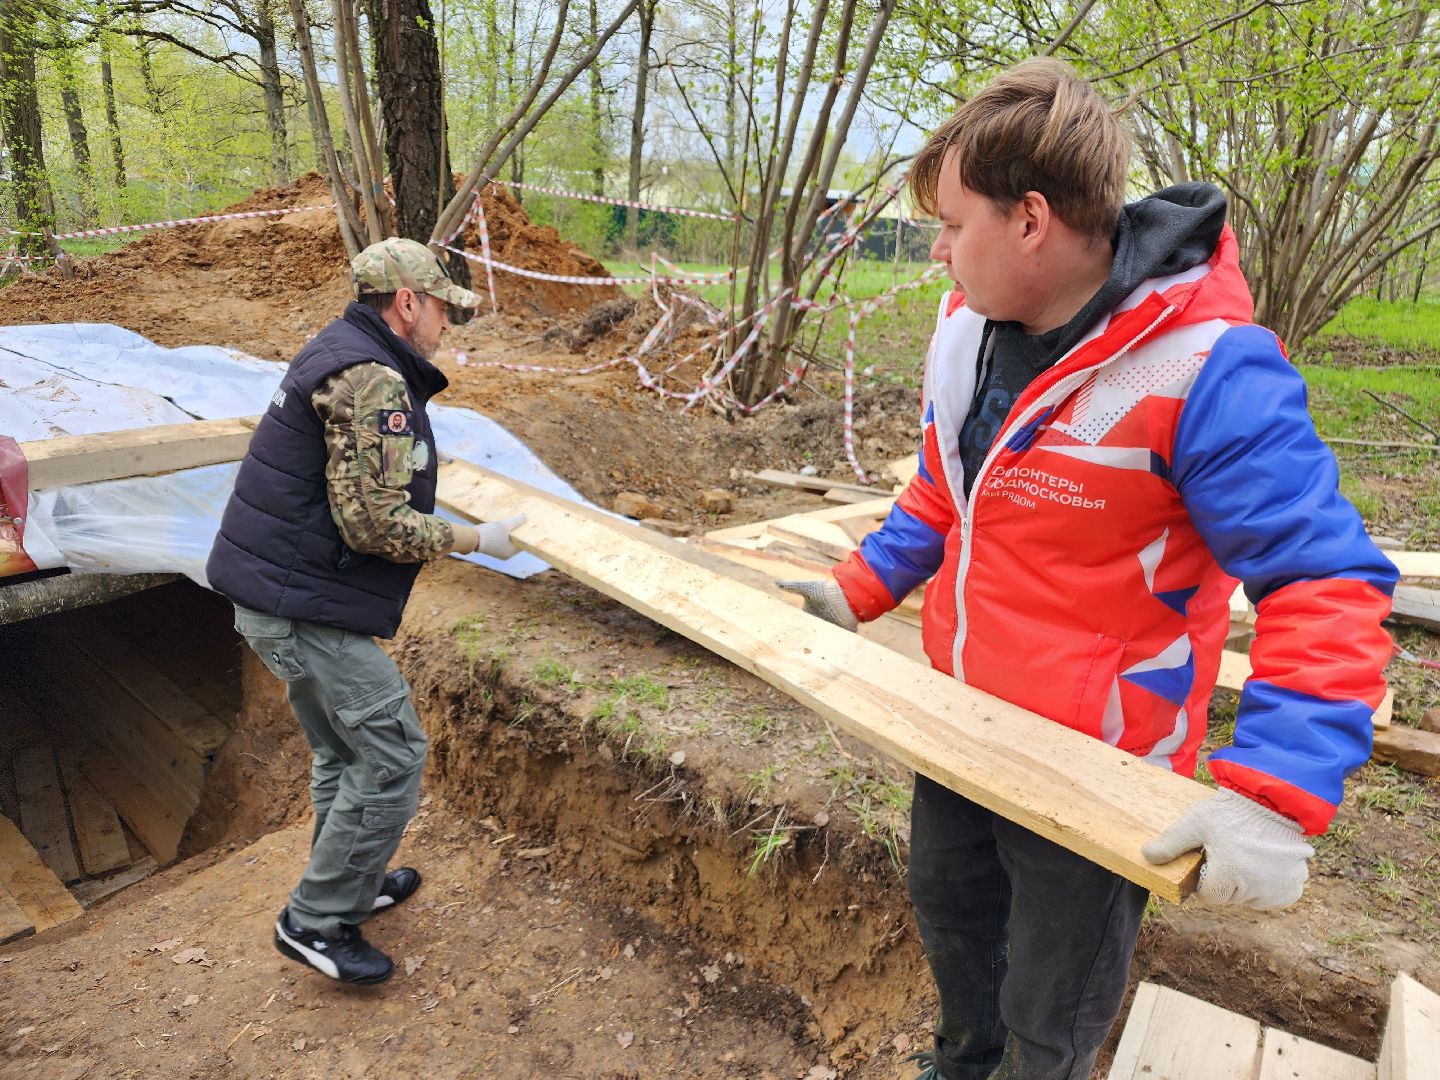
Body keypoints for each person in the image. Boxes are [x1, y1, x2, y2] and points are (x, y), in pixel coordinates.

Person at [780, 58, 1397, 1079]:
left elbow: (1322, 577)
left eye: (951, 221)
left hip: (1093, 771)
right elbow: (947, 492)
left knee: (1049, 1007)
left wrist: (1279, 791)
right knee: (955, 933)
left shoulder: (1206, 367)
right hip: (957, 723)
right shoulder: (967, 334)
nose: (935, 249)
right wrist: (854, 591)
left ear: (1029, 219)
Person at [206, 237, 526, 985]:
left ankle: (349, 888)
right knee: (391, 755)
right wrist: (478, 537)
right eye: (444, 308)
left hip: (281, 589)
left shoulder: (341, 345)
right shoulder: (373, 378)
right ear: (406, 302)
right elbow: (374, 526)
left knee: (342, 754)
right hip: (299, 604)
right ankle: (314, 922)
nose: (449, 325)